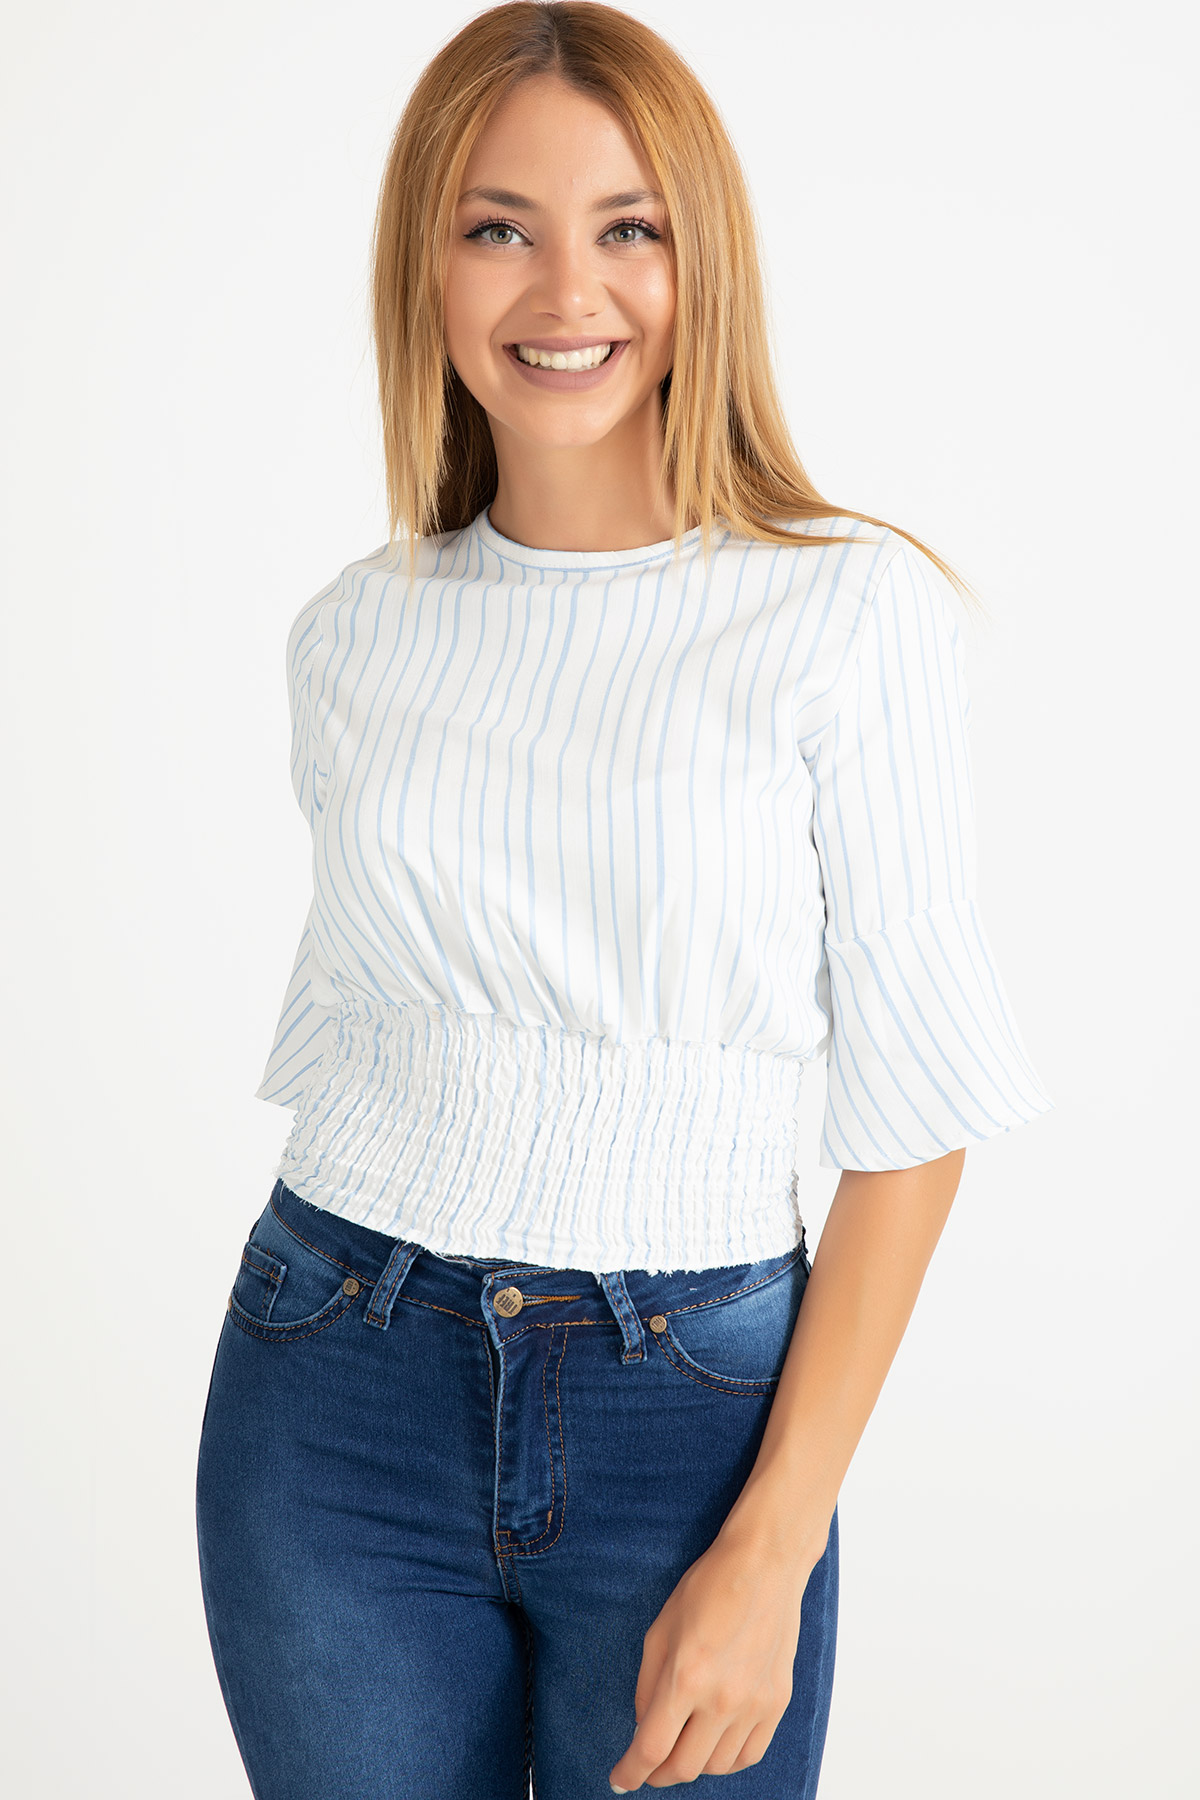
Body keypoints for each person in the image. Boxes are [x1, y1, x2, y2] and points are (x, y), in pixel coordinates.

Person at [194, 5, 1054, 1795]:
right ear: (426, 265)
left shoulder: (847, 613)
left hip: (693, 1425)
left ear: (699, 258)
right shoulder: (353, 635)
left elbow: (916, 1125)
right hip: (333, 1385)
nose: (565, 289)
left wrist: (774, 1545)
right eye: (498, 226)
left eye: (628, 228)